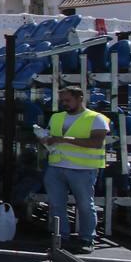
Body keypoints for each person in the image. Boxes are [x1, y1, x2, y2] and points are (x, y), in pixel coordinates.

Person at [42, 85, 110, 252]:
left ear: (80, 98)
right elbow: (52, 137)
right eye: (62, 101)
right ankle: (61, 237)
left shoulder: (96, 118)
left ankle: (87, 239)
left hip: (83, 169)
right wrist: (46, 140)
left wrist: (64, 139)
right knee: (57, 204)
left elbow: (96, 142)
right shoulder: (56, 117)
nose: (64, 103)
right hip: (57, 166)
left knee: (85, 205)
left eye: (68, 100)